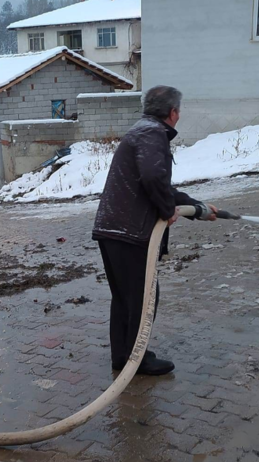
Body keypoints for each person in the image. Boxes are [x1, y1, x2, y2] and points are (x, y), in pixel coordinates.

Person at [92, 85, 218, 376]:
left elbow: (157, 185)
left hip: (113, 229)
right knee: (144, 296)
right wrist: (166, 209)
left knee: (125, 297)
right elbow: (152, 177)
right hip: (129, 232)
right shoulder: (152, 134)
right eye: (179, 110)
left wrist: (195, 207)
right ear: (173, 112)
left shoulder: (141, 130)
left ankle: (123, 358)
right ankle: (137, 359)